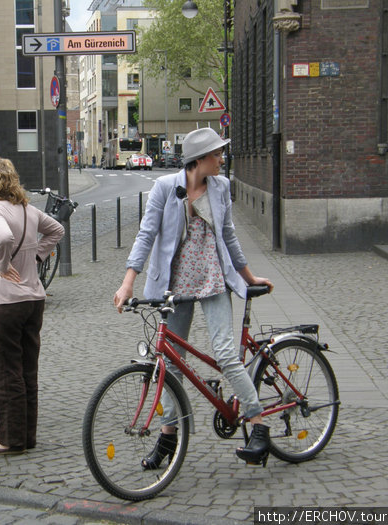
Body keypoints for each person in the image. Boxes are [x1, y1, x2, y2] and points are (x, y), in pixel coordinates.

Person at [113, 127, 274, 467]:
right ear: (199, 159)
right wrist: (128, 283)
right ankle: (168, 437)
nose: (221, 159)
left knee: (227, 355)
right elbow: (145, 236)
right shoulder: (164, 189)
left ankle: (258, 425)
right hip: (175, 286)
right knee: (171, 365)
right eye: (217, 154)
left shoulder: (221, 187)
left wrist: (249, 277)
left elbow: (229, 238)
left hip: (214, 280)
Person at [0, 158, 64, 455]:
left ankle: (9, 441)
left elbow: (2, 236)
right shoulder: (29, 210)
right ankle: (27, 437)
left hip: (4, 301)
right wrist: (37, 257)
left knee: (5, 371)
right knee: (27, 371)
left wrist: (1, 265)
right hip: (33, 300)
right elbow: (57, 231)